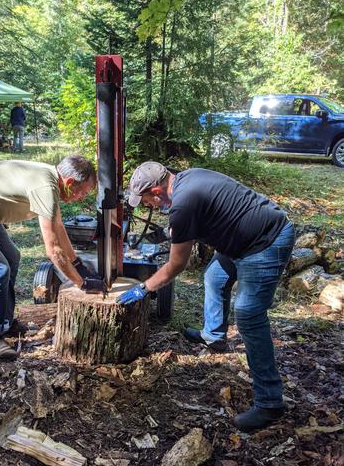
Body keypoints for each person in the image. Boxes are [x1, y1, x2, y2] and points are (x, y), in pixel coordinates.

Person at [117, 162, 295, 432]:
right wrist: (165, 233)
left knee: (248, 314)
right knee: (215, 276)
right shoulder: (187, 180)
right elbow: (199, 217)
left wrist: (144, 288)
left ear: (156, 189)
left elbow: (177, 265)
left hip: (265, 241)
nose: (149, 206)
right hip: (241, 238)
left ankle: (270, 402)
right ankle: (214, 336)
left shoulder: (183, 203)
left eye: (146, 201)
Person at [0, 156, 105, 361]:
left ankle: (5, 322)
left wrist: (78, 265)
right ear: (69, 183)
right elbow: (53, 250)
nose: (81, 198)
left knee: (12, 257)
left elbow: (59, 228)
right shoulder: (45, 187)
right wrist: (81, 283)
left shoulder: (51, 182)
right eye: (82, 192)